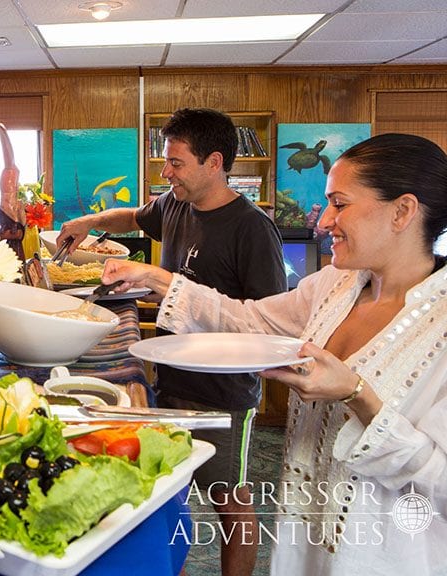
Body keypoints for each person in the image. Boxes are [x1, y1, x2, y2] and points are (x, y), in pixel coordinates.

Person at [100, 133, 447, 575]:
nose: (324, 220)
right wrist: (158, 280)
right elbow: (249, 321)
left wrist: (357, 393)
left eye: (340, 204)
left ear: (402, 211)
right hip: (303, 548)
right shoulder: (335, 286)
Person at [57, 107, 287, 575]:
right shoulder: (176, 204)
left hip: (223, 396)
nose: (167, 173)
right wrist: (89, 221)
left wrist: (162, 280)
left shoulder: (252, 229)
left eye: (177, 163)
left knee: (231, 505)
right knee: (170, 499)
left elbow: (269, 326)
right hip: (171, 382)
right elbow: (135, 217)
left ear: (215, 162)